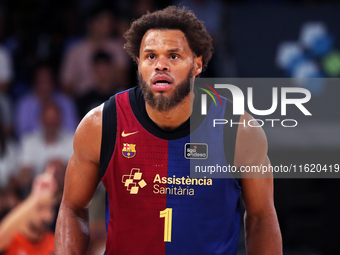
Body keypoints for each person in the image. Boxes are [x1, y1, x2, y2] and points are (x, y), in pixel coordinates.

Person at [55, 6, 282, 255]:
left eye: (173, 56)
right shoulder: (100, 124)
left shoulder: (238, 129)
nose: (160, 65)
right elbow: (72, 208)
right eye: (150, 56)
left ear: (197, 64)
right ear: (138, 63)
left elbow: (261, 217)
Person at [0, 167, 57, 255]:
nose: (47, 216)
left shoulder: (54, 241)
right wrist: (35, 197)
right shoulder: (12, 239)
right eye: (40, 208)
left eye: (50, 209)